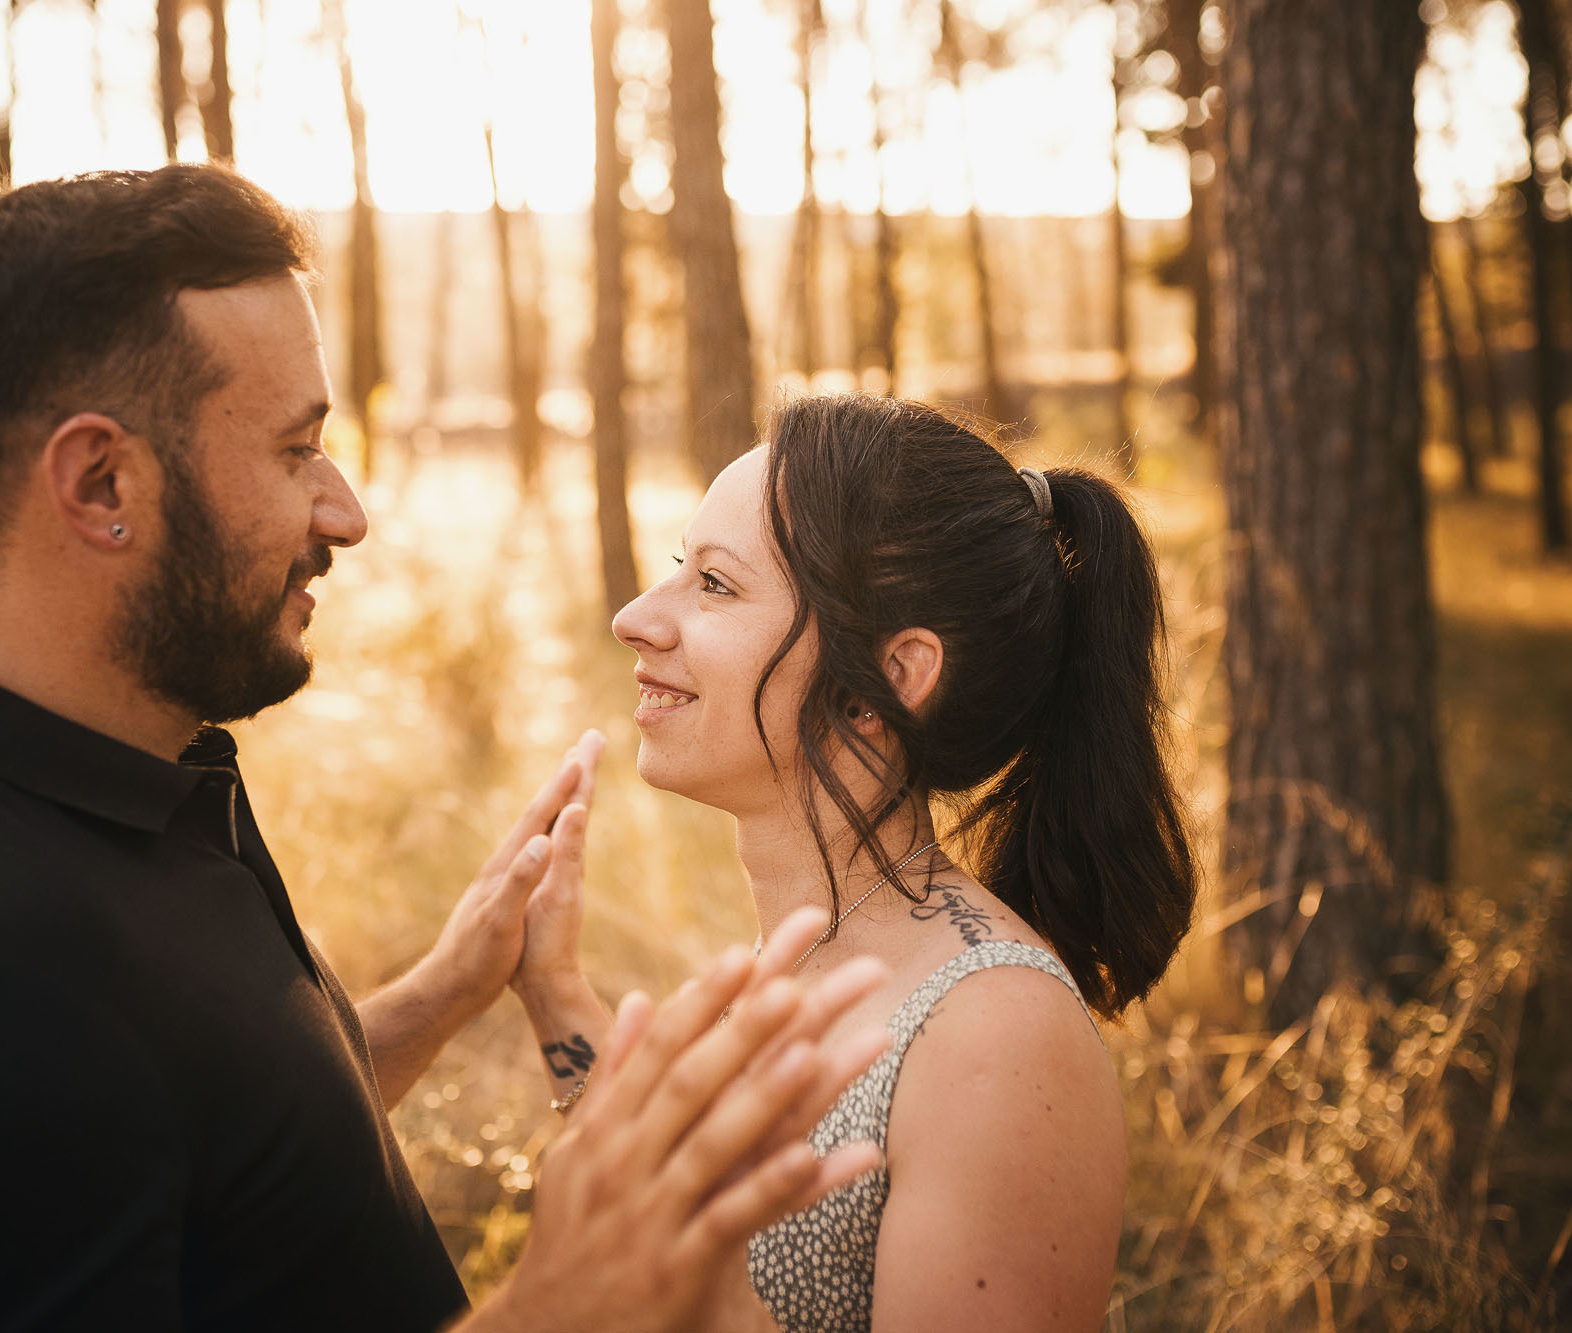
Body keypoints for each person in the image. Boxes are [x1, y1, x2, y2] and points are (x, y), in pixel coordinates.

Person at [0, 165, 894, 1333]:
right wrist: (553, 1310)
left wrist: (441, 991)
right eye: (292, 448)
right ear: (101, 481)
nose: (345, 511)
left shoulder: (127, 786)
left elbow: (202, 1163)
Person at [511, 394, 1199, 1331]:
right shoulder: (794, 956)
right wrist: (550, 985)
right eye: (681, 568)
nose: (637, 617)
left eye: (714, 585)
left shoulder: (995, 1038)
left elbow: (688, 1274)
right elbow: (653, 1207)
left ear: (890, 681)